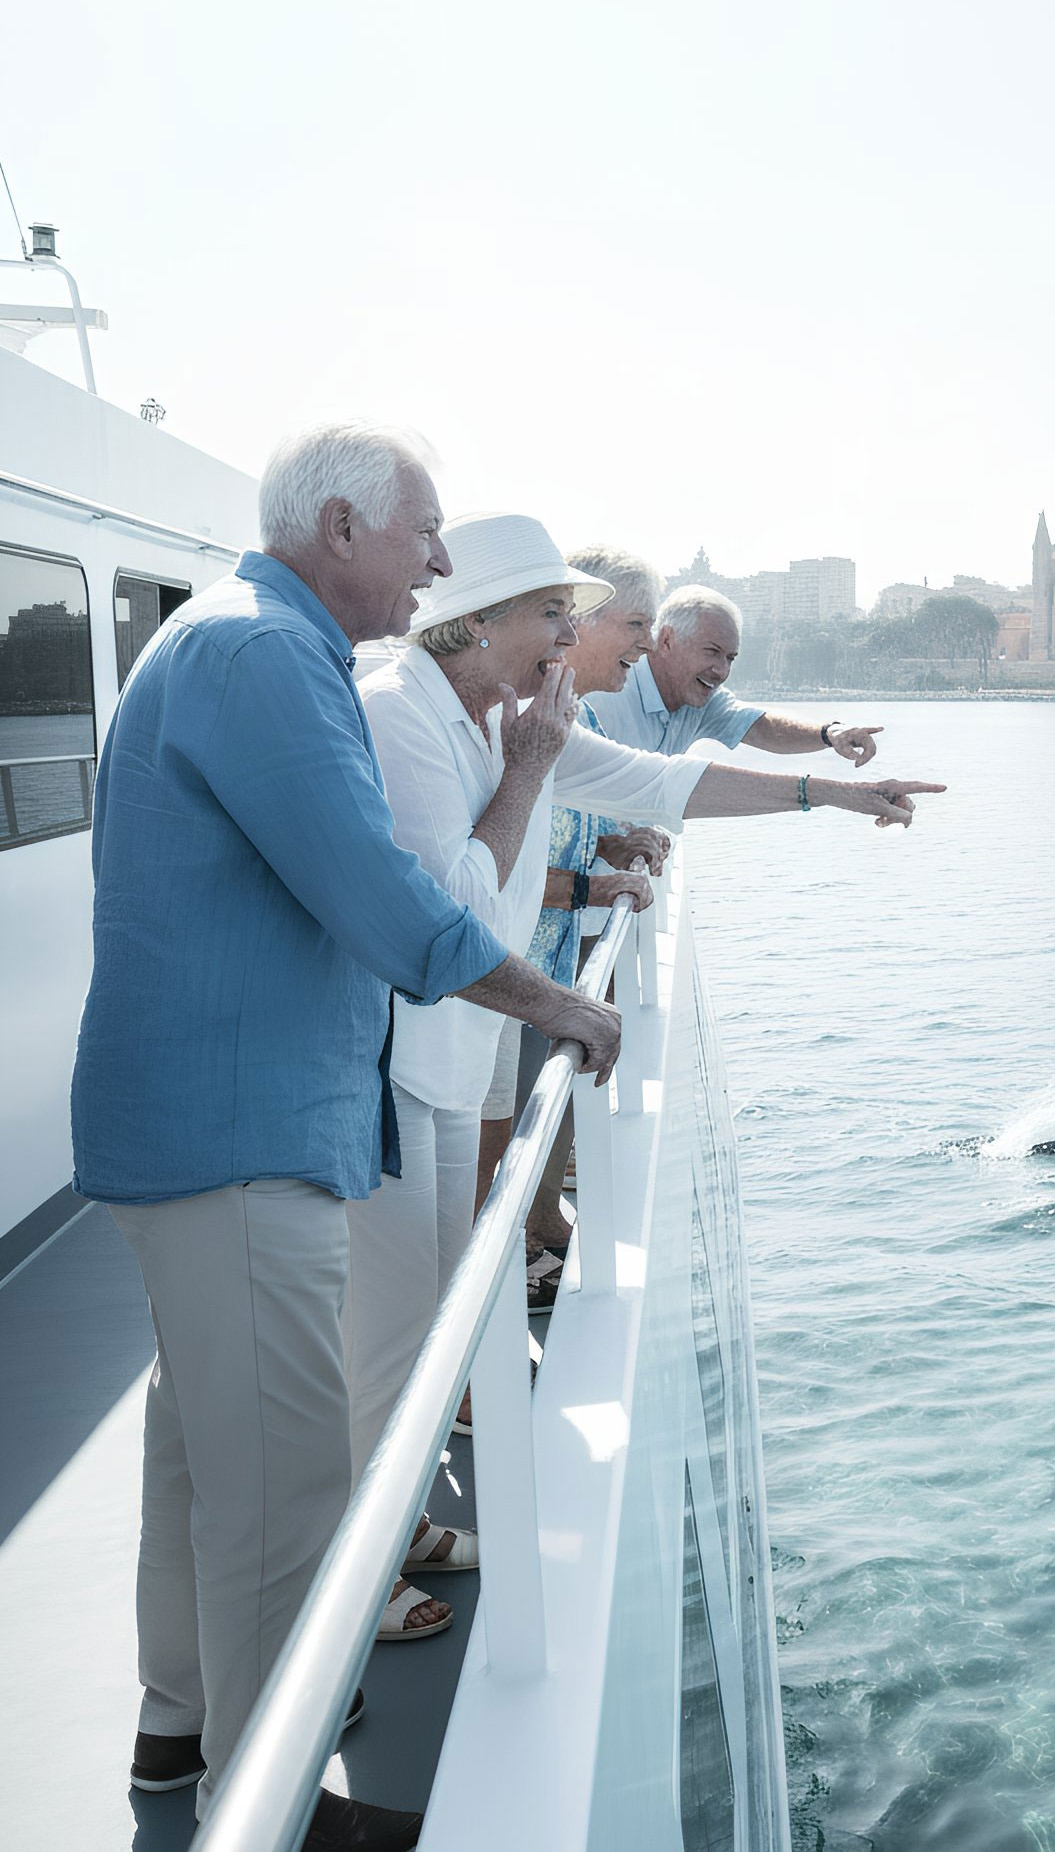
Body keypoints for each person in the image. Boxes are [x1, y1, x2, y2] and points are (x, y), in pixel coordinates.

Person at [71, 425, 624, 1852]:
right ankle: (268, 1803)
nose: (439, 563)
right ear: (337, 529)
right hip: (241, 1140)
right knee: (286, 1496)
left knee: (199, 1457)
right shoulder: (267, 658)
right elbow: (392, 906)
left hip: (196, 1124)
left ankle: (177, 1725)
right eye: (422, 533)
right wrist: (563, 1001)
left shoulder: (231, 642)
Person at [349, 513, 942, 1624]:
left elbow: (660, 783)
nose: (569, 636)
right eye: (552, 615)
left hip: (444, 1060)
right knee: (382, 1341)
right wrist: (529, 768)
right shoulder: (413, 719)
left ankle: (404, 1524)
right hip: (392, 1071)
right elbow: (457, 916)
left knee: (424, 1315)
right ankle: (360, 1570)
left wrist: (833, 795)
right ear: (480, 623)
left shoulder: (498, 709)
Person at [473, 545, 668, 1311]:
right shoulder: (516, 718)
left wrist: (611, 844)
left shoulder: (568, 715)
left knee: (518, 1121)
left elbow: (623, 799)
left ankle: (531, 1231)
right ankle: (500, 1284)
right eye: (637, 623)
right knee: (487, 1150)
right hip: (492, 976)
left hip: (536, 967)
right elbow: (491, 868)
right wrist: (595, 881)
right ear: (579, 624)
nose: (646, 644)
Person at [581, 581, 885, 766]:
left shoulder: (701, 698)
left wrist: (829, 734)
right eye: (712, 652)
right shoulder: (604, 693)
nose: (722, 671)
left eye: (730, 658)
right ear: (667, 640)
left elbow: (762, 727)